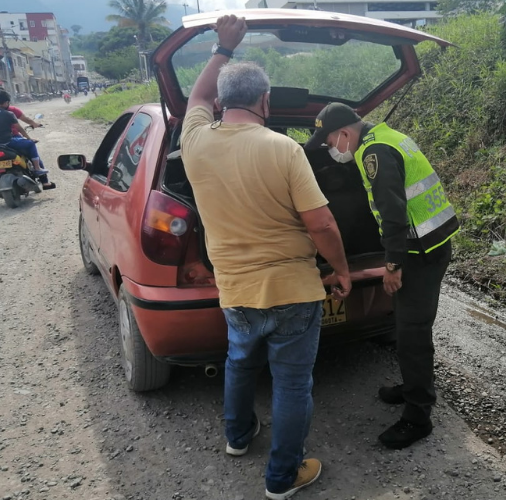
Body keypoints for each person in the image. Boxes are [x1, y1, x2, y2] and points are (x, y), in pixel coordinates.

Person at [180, 15, 351, 500]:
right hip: (294, 290)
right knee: (292, 384)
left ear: (220, 103)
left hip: (234, 287)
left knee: (240, 361)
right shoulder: (284, 149)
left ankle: (238, 438)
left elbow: (195, 99)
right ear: (265, 101)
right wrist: (340, 271)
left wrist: (222, 47)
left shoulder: (194, 141)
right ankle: (282, 477)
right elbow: (321, 224)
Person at [305, 102, 460, 450]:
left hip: (420, 252)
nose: (331, 150)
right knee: (409, 325)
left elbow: (393, 213)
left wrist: (392, 265)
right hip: (433, 242)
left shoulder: (372, 152)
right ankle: (411, 387)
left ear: (344, 133)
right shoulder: (388, 136)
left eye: (330, 142)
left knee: (412, 334)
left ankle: (418, 415)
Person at [0, 87, 55, 189]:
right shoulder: (11, 112)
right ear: (6, 101)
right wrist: (30, 137)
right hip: (10, 140)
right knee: (31, 147)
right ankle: (41, 176)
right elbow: (22, 127)